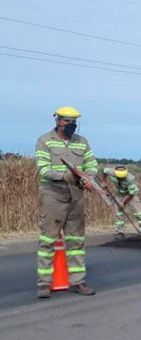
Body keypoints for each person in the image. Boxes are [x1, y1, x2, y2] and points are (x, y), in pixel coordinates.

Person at [35, 106, 97, 298]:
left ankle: (78, 282)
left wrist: (89, 179)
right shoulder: (44, 141)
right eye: (67, 121)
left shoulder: (82, 142)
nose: (71, 125)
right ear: (57, 121)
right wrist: (65, 176)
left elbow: (92, 165)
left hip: (76, 197)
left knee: (76, 241)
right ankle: (44, 284)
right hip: (53, 196)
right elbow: (43, 169)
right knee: (48, 241)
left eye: (74, 121)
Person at [101, 165, 141, 239]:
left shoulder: (130, 178)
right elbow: (104, 171)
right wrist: (103, 182)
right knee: (119, 214)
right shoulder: (111, 172)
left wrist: (123, 202)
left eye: (122, 177)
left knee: (138, 212)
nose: (120, 178)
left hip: (131, 195)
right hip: (119, 194)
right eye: (119, 177)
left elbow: (131, 193)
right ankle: (120, 232)